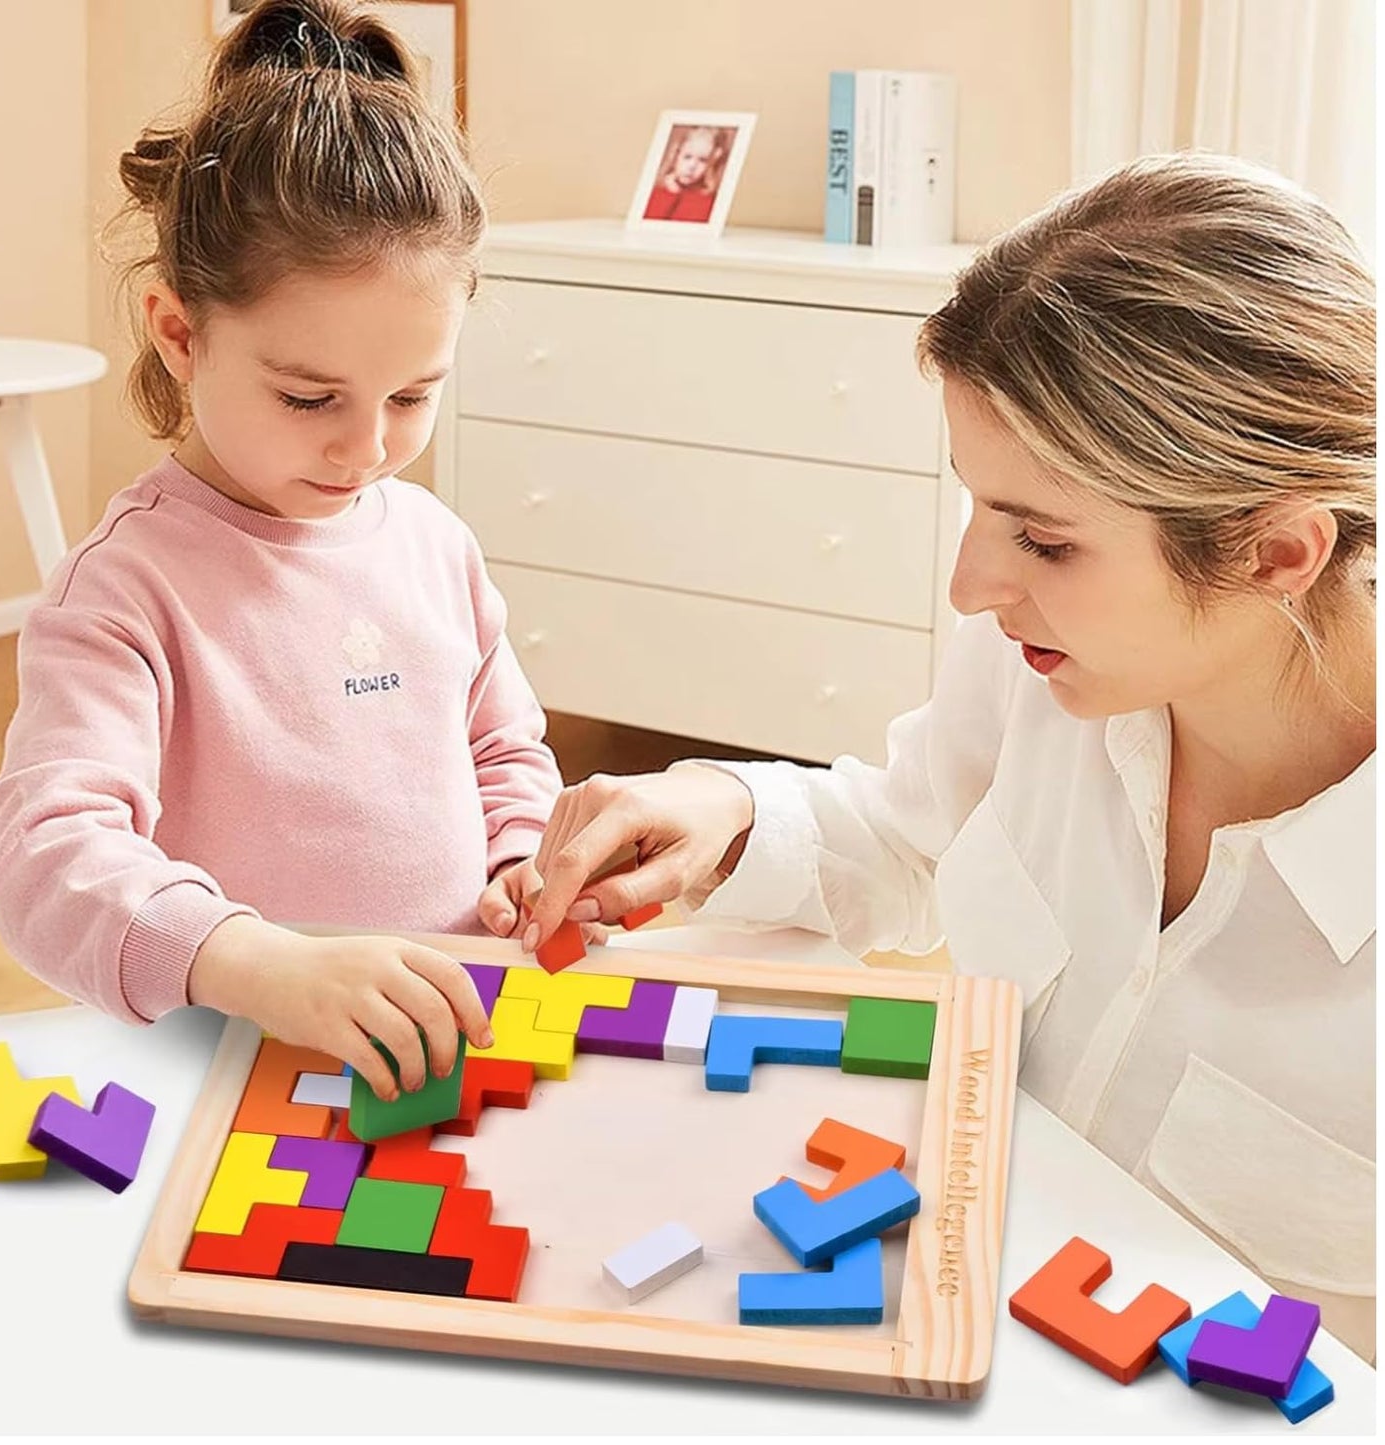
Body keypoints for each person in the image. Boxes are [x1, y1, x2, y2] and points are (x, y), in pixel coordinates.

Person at [516, 152, 1377, 1358]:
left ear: (1275, 553)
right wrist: (721, 802)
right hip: (960, 1333)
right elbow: (906, 830)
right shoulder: (1054, 661)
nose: (973, 587)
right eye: (976, 504)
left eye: (1043, 540)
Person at [0, 0, 590, 1105]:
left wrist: (520, 862)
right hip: (227, 1073)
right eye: (310, 396)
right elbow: (47, 853)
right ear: (179, 331)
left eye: (413, 394)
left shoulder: (435, 547)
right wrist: (251, 961)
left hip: (437, 1055)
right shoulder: (122, 589)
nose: (367, 446)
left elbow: (502, 755)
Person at [643, 126, 730, 223]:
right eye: (687, 157)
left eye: (703, 160)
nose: (692, 166)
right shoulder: (655, 192)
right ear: (676, 155)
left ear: (712, 163)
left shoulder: (708, 202)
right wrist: (671, 193)